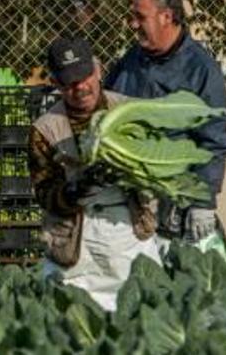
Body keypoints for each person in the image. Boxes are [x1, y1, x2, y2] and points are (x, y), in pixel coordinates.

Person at [31, 37, 161, 312]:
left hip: (128, 230)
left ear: (98, 70)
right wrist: (77, 189)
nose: (80, 88)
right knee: (68, 318)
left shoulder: (129, 112)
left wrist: (134, 171)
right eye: (69, 82)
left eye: (85, 76)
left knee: (141, 314)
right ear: (56, 83)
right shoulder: (45, 129)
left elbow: (157, 168)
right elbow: (45, 194)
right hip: (75, 239)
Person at [103, 0, 226, 244]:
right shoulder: (130, 62)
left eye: (140, 17)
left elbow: (213, 141)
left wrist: (202, 202)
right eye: (133, 17)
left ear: (167, 17)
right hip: (131, 201)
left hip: (177, 203)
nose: (133, 24)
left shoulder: (200, 69)